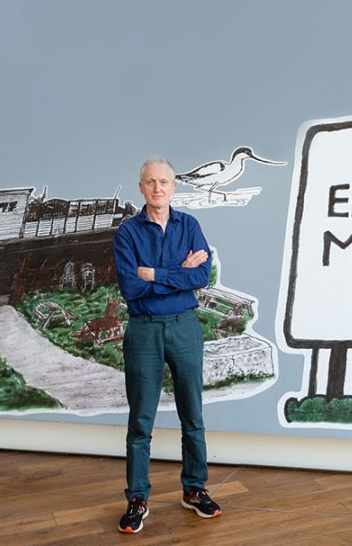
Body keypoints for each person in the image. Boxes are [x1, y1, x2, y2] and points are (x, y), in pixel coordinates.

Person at [113, 155, 221, 534]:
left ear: (174, 187)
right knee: (140, 420)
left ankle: (194, 489)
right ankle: (137, 497)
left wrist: (155, 273)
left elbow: (203, 276)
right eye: (150, 182)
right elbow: (131, 286)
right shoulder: (127, 233)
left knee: (192, 415)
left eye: (164, 182)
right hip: (143, 329)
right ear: (140, 187)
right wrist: (181, 273)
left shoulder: (189, 225)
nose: (157, 188)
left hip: (185, 327)